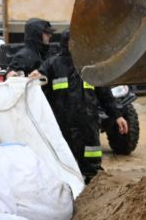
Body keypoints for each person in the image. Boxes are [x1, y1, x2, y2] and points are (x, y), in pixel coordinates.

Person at [40, 31, 128, 183]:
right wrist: (32, 76)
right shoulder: (52, 65)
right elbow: (36, 87)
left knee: (91, 159)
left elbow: (105, 95)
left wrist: (117, 115)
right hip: (62, 127)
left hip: (88, 126)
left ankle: (93, 186)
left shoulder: (91, 67)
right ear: (67, 43)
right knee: (65, 163)